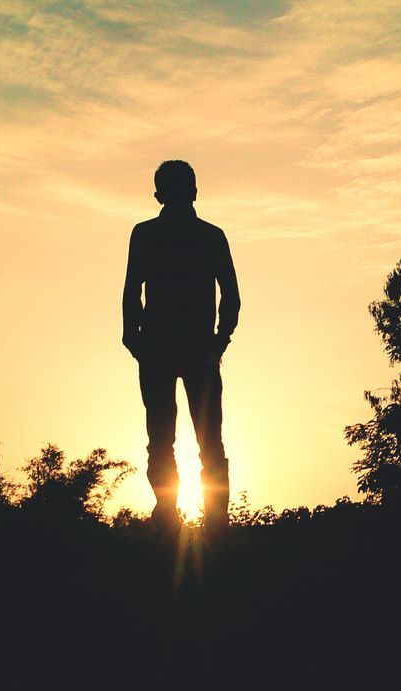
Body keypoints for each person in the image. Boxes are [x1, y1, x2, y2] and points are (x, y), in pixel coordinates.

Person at [122, 160, 240, 534]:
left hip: (157, 348)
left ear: (158, 194)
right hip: (199, 350)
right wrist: (220, 339)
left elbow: (131, 293)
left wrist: (134, 337)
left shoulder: (144, 234)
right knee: (210, 441)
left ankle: (167, 517)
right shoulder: (212, 235)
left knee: (160, 438)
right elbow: (232, 297)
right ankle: (216, 523)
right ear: (194, 191)